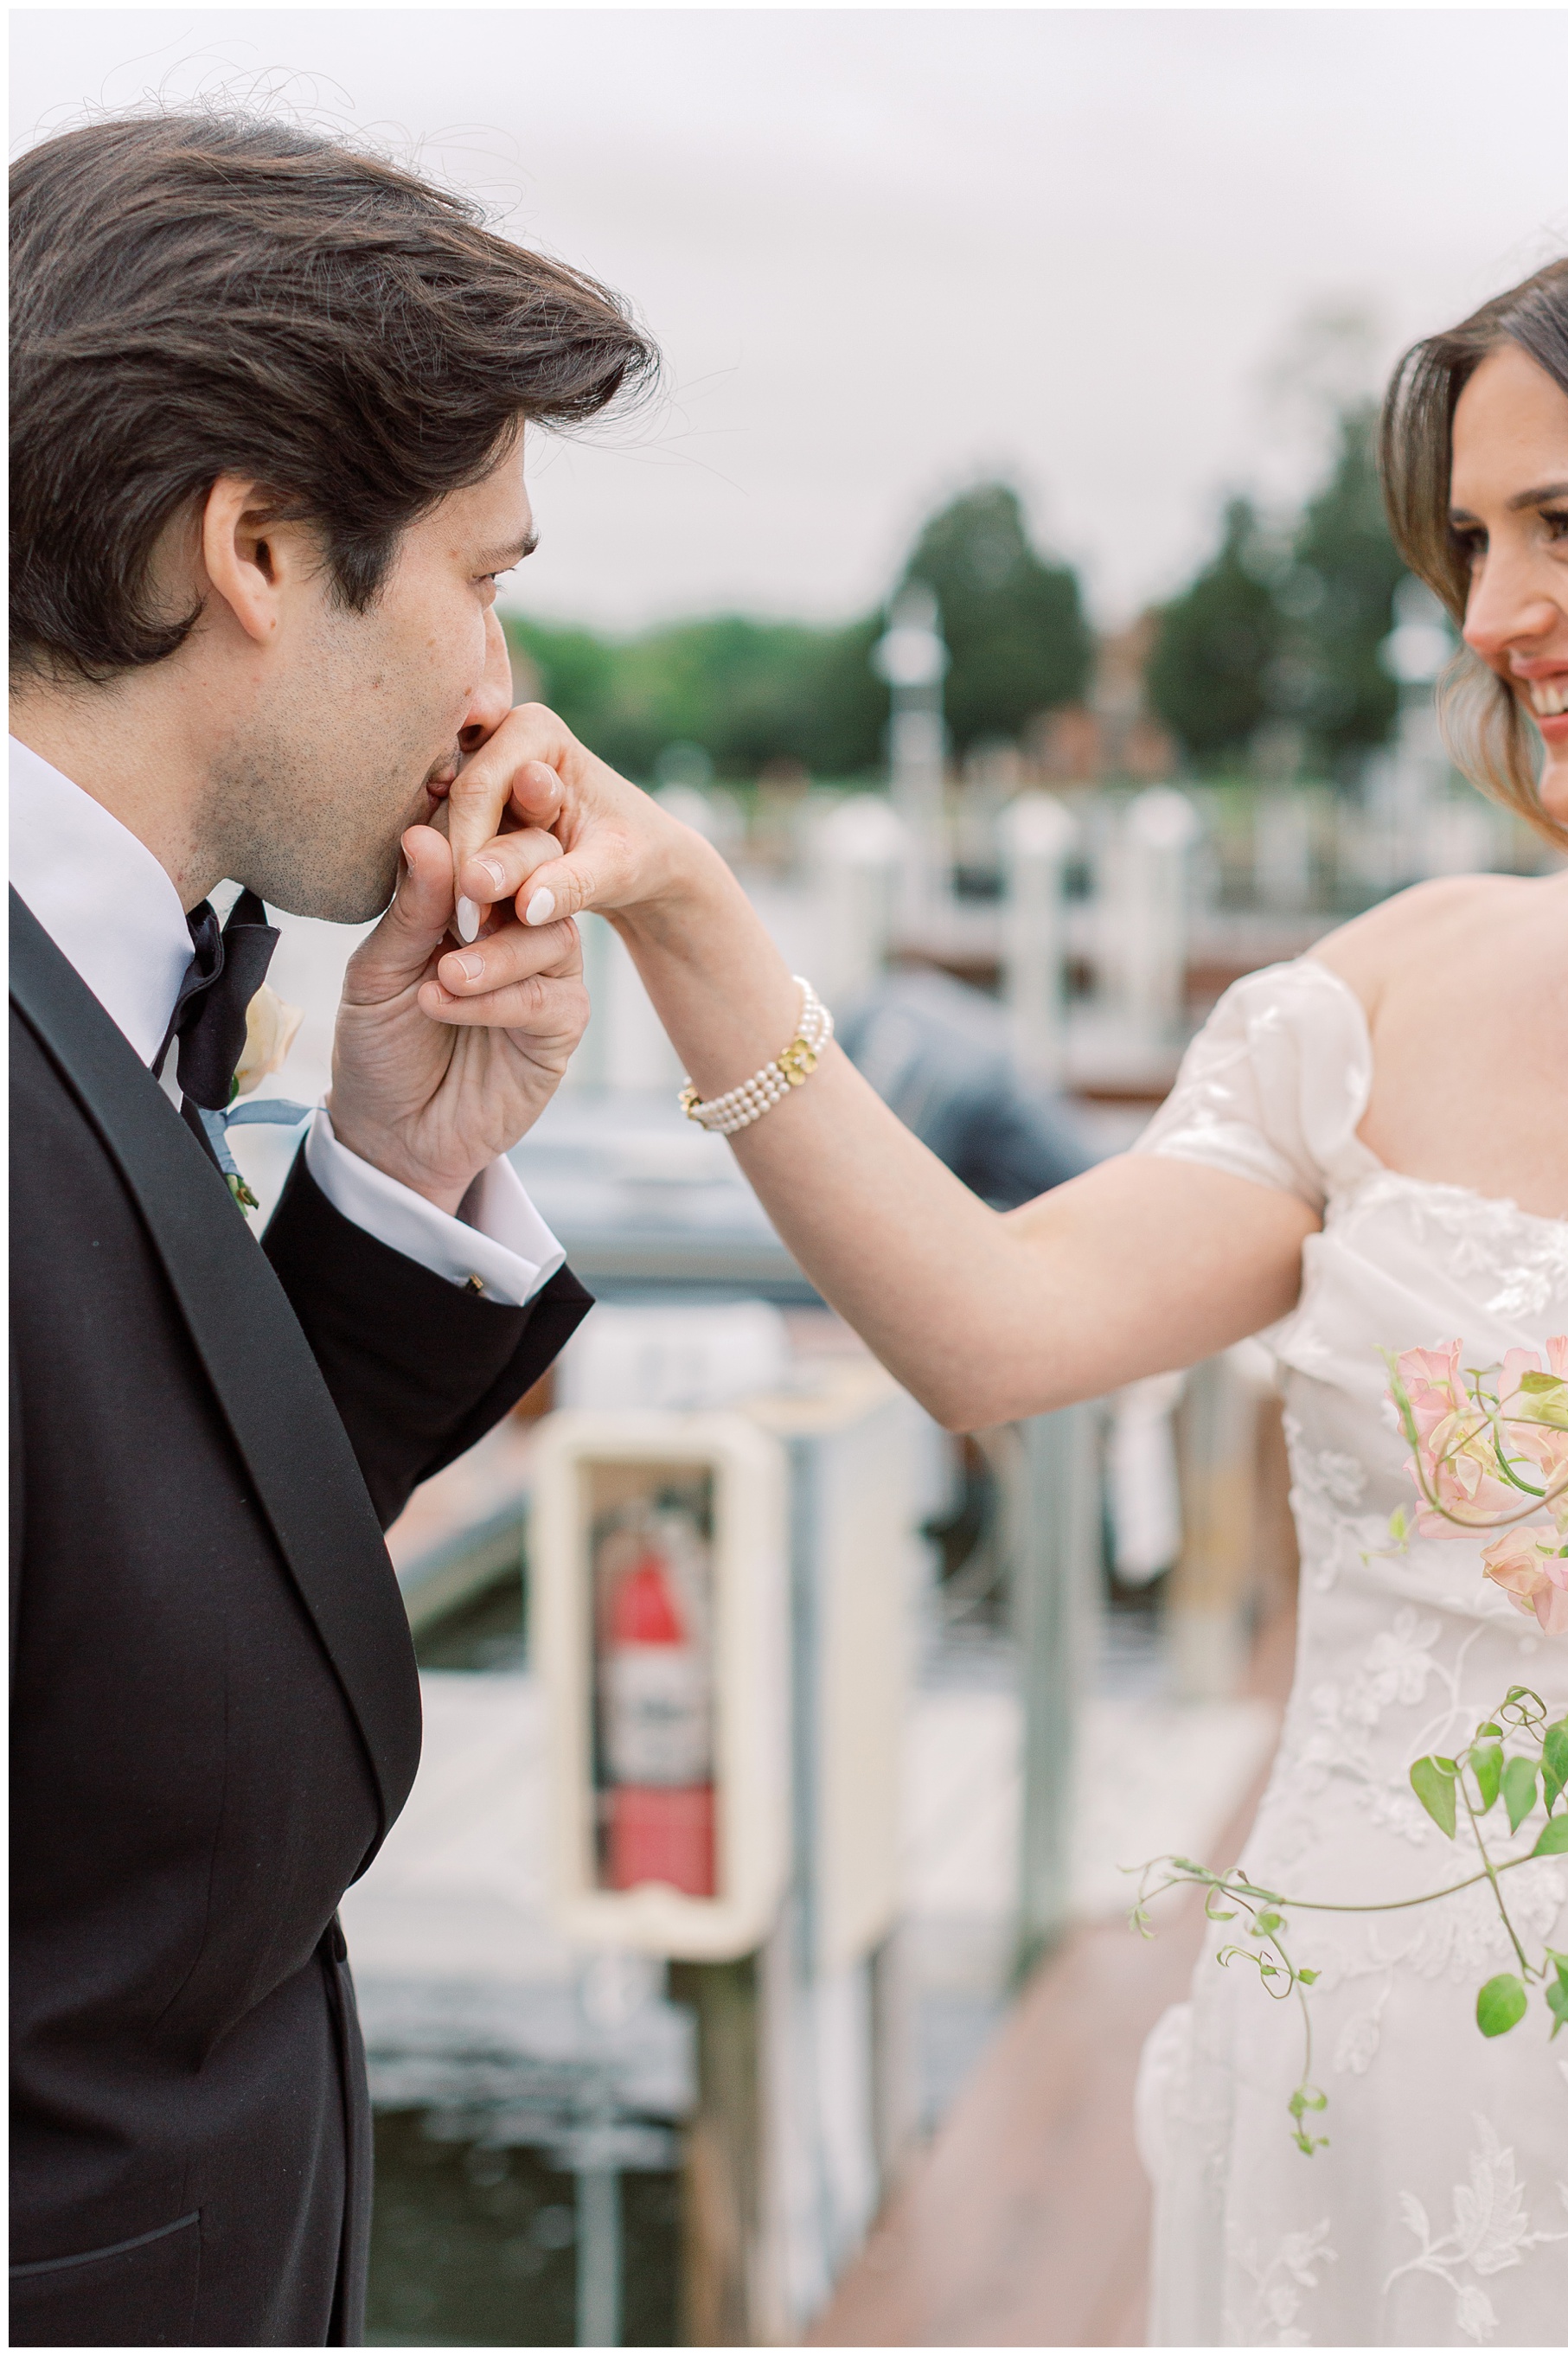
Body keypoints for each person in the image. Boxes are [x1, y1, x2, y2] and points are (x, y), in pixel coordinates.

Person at [435, 179, 1568, 2343]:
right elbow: (992, 1331)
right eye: (1473, 547)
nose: (1496, 613)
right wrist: (683, 912)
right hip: (1366, 2120)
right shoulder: (1385, 1000)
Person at [10, 112, 654, 2346]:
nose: (499, 689)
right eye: (483, 574)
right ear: (259, 547)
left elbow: (124, 1700)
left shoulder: (90, 988)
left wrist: (385, 1173)